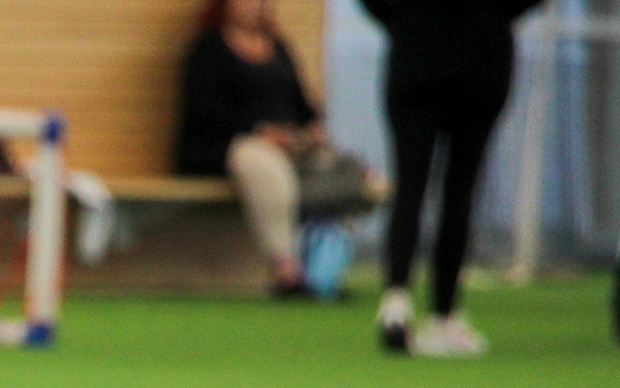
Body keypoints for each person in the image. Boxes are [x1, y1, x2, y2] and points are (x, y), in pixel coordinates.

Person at [363, 0, 545, 357]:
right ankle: (443, 315)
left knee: (410, 186)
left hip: (415, 53)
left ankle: (396, 300)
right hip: (480, 59)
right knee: (460, 192)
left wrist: (408, 18)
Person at [174, 0, 325, 296]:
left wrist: (311, 130)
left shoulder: (278, 46)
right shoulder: (208, 48)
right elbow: (204, 111)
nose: (253, 5)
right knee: (262, 162)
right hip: (223, 148)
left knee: (331, 167)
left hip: (285, 147)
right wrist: (260, 132)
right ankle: (286, 266)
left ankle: (322, 263)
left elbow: (302, 106)